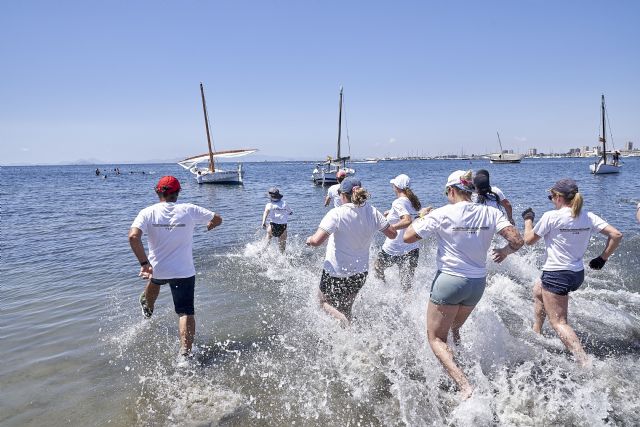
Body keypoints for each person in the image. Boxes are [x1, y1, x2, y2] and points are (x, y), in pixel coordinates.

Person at [404, 170, 523, 399]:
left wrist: (421, 216)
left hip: (449, 281)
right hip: (476, 284)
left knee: (436, 338)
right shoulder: (491, 212)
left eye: (446, 192)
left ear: (451, 190)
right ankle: (463, 363)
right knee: (454, 329)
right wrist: (505, 252)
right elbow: (517, 240)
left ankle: (465, 386)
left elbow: (408, 236)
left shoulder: (441, 213)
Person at [522, 178, 622, 367]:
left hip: (557, 275)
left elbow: (528, 240)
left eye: (551, 196)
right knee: (537, 290)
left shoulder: (552, 216)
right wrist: (602, 258)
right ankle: (537, 332)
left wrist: (528, 220)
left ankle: (584, 362)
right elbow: (616, 235)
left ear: (559, 197)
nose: (551, 199)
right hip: (576, 274)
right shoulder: (589, 216)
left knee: (559, 322)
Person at [128, 176, 222, 360]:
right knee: (185, 312)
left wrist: (144, 264)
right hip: (183, 272)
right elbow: (218, 219)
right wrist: (211, 225)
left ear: (157, 192)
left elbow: (133, 237)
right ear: (178, 193)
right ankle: (185, 355)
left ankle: (147, 311)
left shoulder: (147, 212)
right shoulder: (189, 209)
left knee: (155, 280)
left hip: (158, 269)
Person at [306, 178, 397, 326]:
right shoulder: (373, 211)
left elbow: (316, 242)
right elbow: (392, 234)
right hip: (360, 272)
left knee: (322, 302)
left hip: (336, 272)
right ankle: (350, 333)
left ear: (342, 195)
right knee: (346, 307)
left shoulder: (336, 213)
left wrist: (309, 240)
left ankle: (344, 324)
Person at [374, 174, 422, 290]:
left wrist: (390, 228)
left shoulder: (398, 202)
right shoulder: (414, 202)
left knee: (377, 267)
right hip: (412, 247)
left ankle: (384, 290)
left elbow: (407, 220)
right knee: (406, 284)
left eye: (393, 185)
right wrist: (389, 213)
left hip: (394, 248)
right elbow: (414, 217)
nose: (393, 187)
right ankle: (408, 306)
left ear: (397, 187)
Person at [261, 187, 293, 252]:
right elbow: (290, 212)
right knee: (282, 248)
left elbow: (265, 213)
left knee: (268, 239)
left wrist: (263, 222)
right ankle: (282, 259)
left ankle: (262, 253)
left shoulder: (269, 204)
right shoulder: (284, 203)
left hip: (272, 226)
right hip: (283, 227)